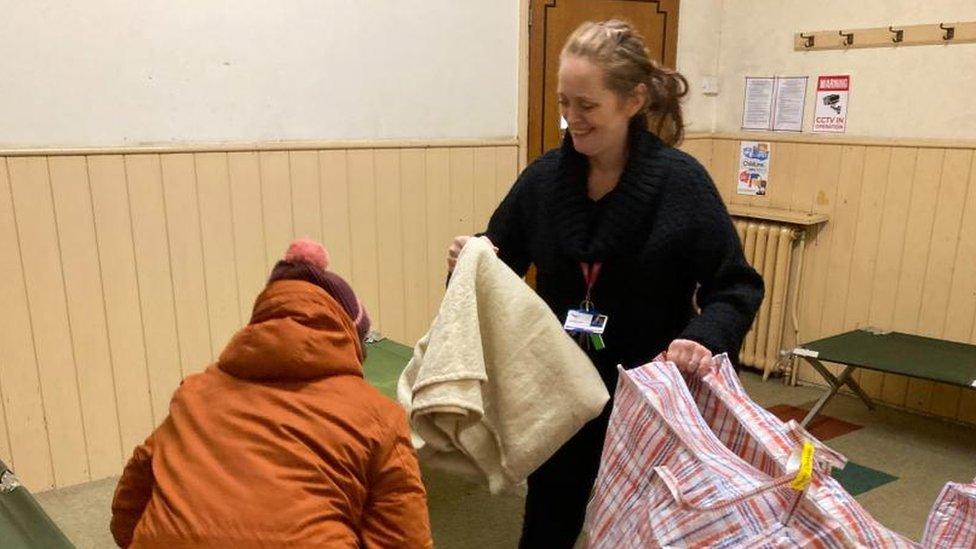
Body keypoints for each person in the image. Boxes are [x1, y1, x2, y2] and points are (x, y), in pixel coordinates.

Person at [448, 20, 763, 547]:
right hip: (563, 390)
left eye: (587, 105)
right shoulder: (543, 180)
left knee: (646, 530)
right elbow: (499, 258)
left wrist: (705, 338)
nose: (572, 118)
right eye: (563, 101)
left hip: (648, 400)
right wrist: (472, 257)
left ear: (633, 100)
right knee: (548, 519)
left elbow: (736, 287)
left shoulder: (680, 183)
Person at [111, 239, 432, 548]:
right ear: (352, 338)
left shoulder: (194, 393)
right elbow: (402, 540)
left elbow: (130, 501)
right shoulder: (380, 418)